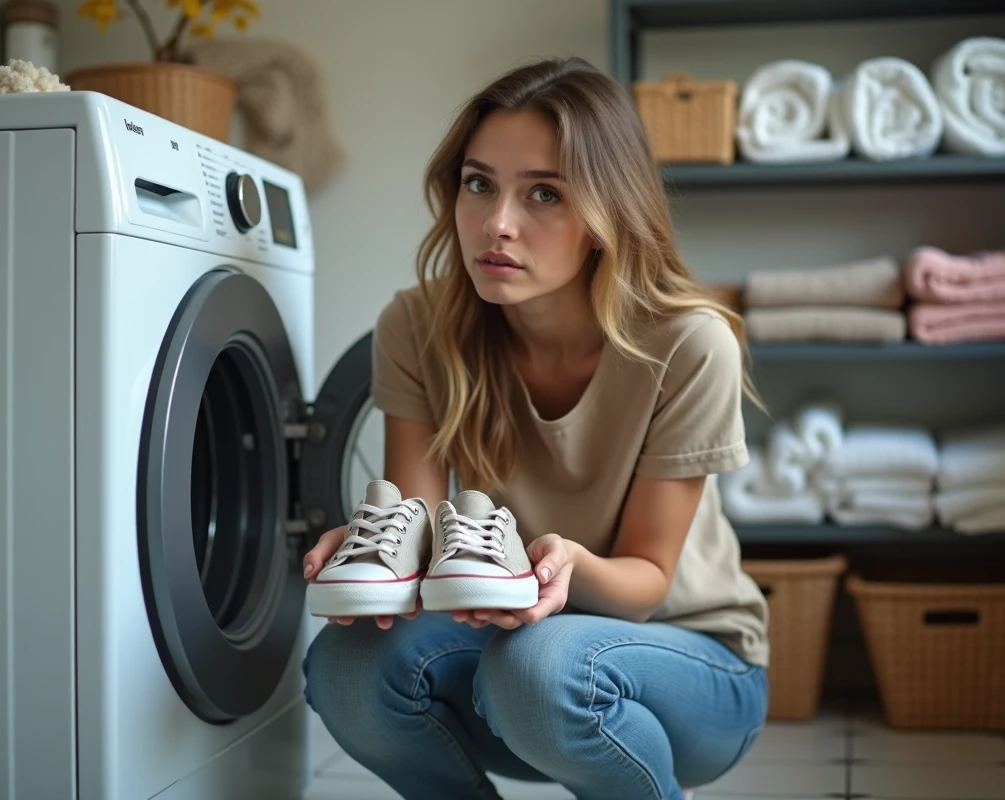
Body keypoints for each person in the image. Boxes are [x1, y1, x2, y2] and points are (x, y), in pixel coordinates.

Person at [300, 56, 769, 800]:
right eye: (478, 183)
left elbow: (646, 585)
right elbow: (420, 524)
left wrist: (563, 570)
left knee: (542, 666)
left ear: (605, 217)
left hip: (694, 667)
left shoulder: (686, 343)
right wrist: (376, 550)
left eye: (544, 193)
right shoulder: (417, 326)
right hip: (511, 654)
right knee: (344, 666)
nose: (497, 224)